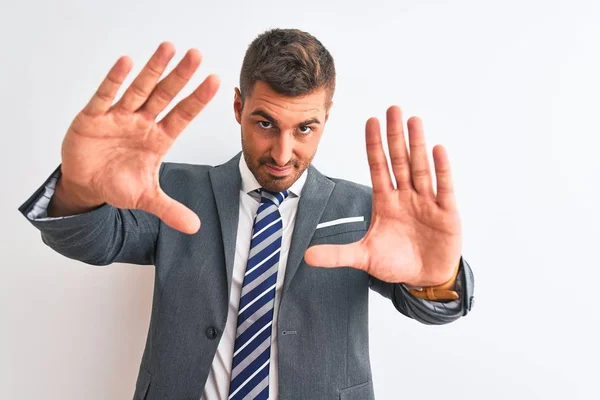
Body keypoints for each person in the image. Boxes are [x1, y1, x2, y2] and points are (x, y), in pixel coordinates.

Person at [18, 28, 475, 400]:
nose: (283, 152)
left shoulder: (364, 209)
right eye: (265, 123)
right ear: (238, 107)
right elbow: (92, 240)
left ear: (326, 117)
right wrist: (79, 187)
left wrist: (435, 278)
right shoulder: (170, 189)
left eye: (305, 128)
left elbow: (434, 310)